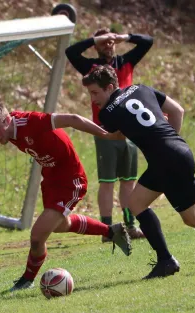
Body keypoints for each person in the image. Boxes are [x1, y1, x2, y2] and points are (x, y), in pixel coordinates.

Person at [82, 65, 195, 279]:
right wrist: (170, 141)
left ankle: (166, 260)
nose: (93, 99)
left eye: (95, 92)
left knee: (149, 207)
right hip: (180, 151)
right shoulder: (141, 88)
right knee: (188, 216)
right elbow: (178, 110)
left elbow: (115, 137)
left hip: (164, 160)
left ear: (110, 87)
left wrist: (81, 125)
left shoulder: (107, 112)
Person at [0, 102, 132, 291]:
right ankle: (111, 231)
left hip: (70, 179)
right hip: (50, 180)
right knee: (59, 225)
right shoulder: (5, 131)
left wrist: (106, 135)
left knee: (37, 236)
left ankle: (26, 280)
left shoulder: (32, 122)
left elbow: (73, 119)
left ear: (8, 120)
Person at [66, 28, 154, 241]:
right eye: (103, 43)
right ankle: (107, 230)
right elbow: (71, 52)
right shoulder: (91, 68)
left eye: (110, 42)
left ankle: (130, 225)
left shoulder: (126, 61)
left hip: (130, 130)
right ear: (96, 46)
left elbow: (147, 41)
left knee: (128, 181)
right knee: (107, 181)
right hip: (105, 131)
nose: (108, 45)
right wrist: (95, 39)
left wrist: (124, 37)